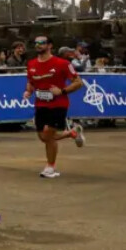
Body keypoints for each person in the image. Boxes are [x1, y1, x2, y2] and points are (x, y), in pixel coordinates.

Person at [23, 36, 86, 178]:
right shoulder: (31, 63)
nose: (38, 45)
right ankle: (72, 133)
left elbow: (78, 82)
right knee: (43, 137)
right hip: (40, 104)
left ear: (50, 45)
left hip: (58, 104)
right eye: (36, 43)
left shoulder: (62, 63)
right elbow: (31, 82)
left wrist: (62, 91)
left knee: (48, 135)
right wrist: (28, 91)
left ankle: (50, 167)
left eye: (42, 43)